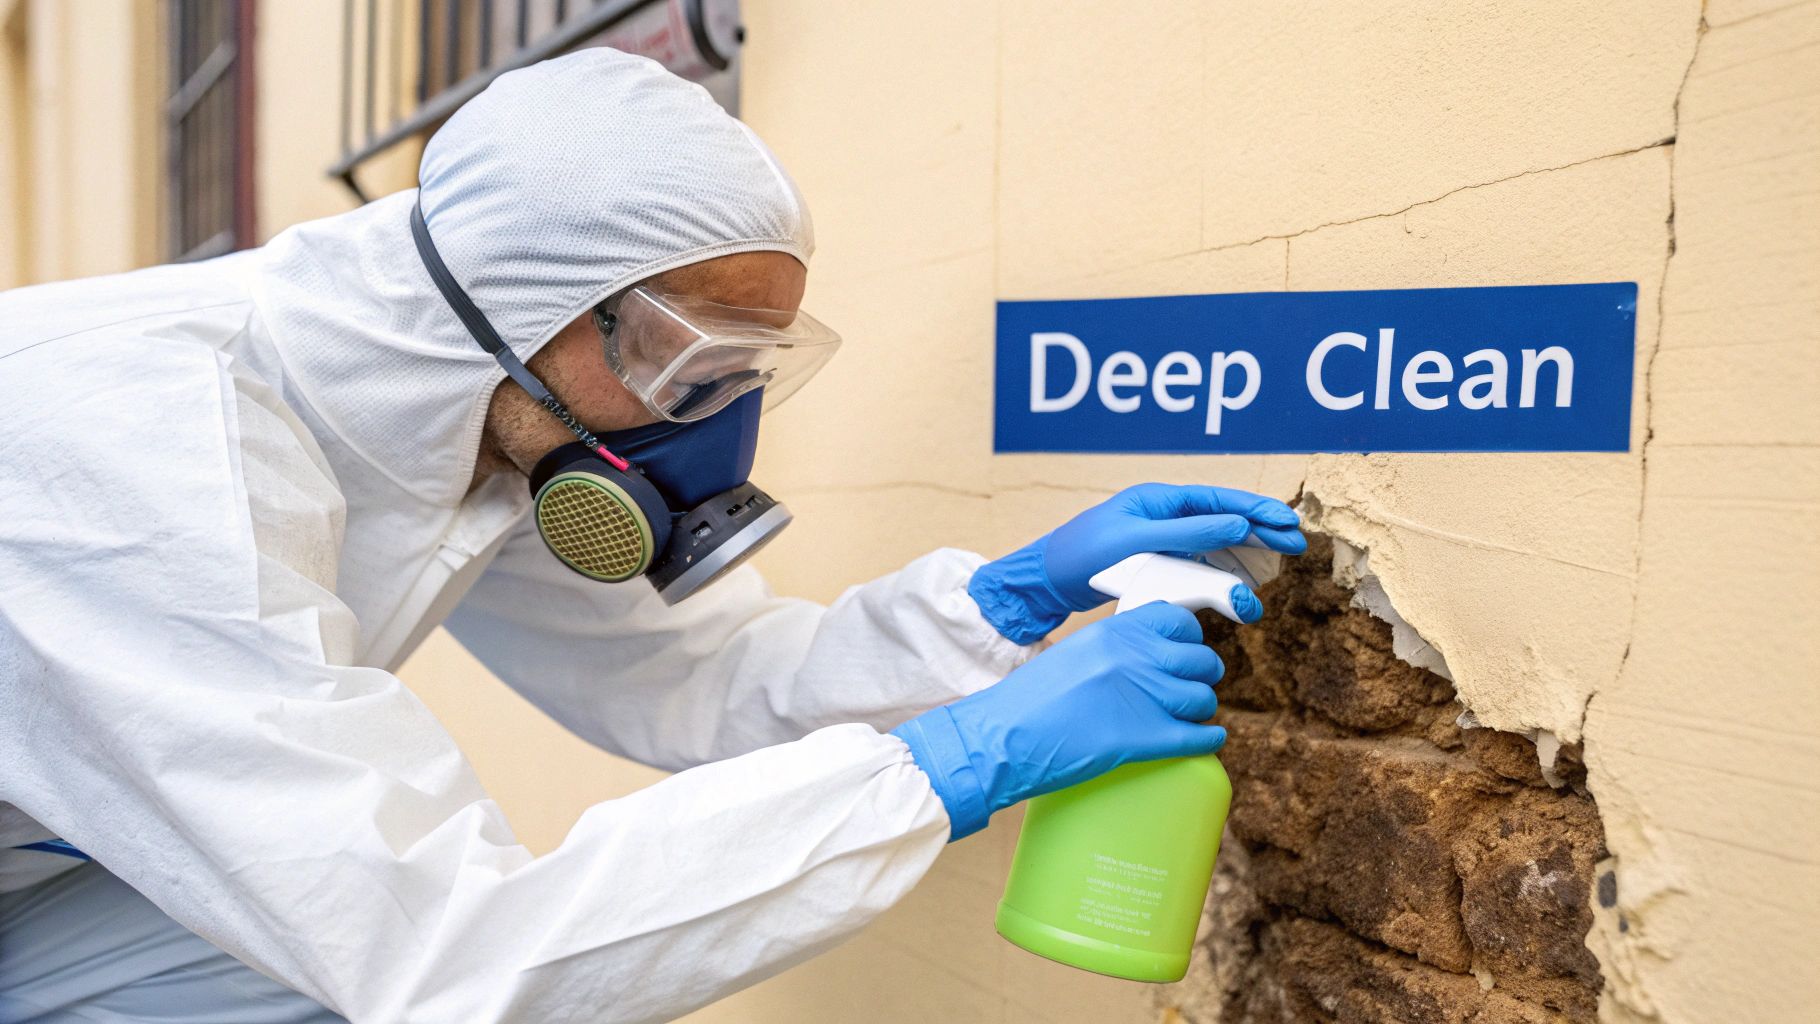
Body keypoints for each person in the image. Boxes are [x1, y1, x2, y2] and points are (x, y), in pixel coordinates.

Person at [0, 50, 1303, 1023]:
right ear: (526, 303)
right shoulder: (143, 461)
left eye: (756, 373)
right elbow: (445, 942)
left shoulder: (480, 419)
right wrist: (948, 767)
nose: (717, 424)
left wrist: (999, 608)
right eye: (694, 365)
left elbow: (695, 682)